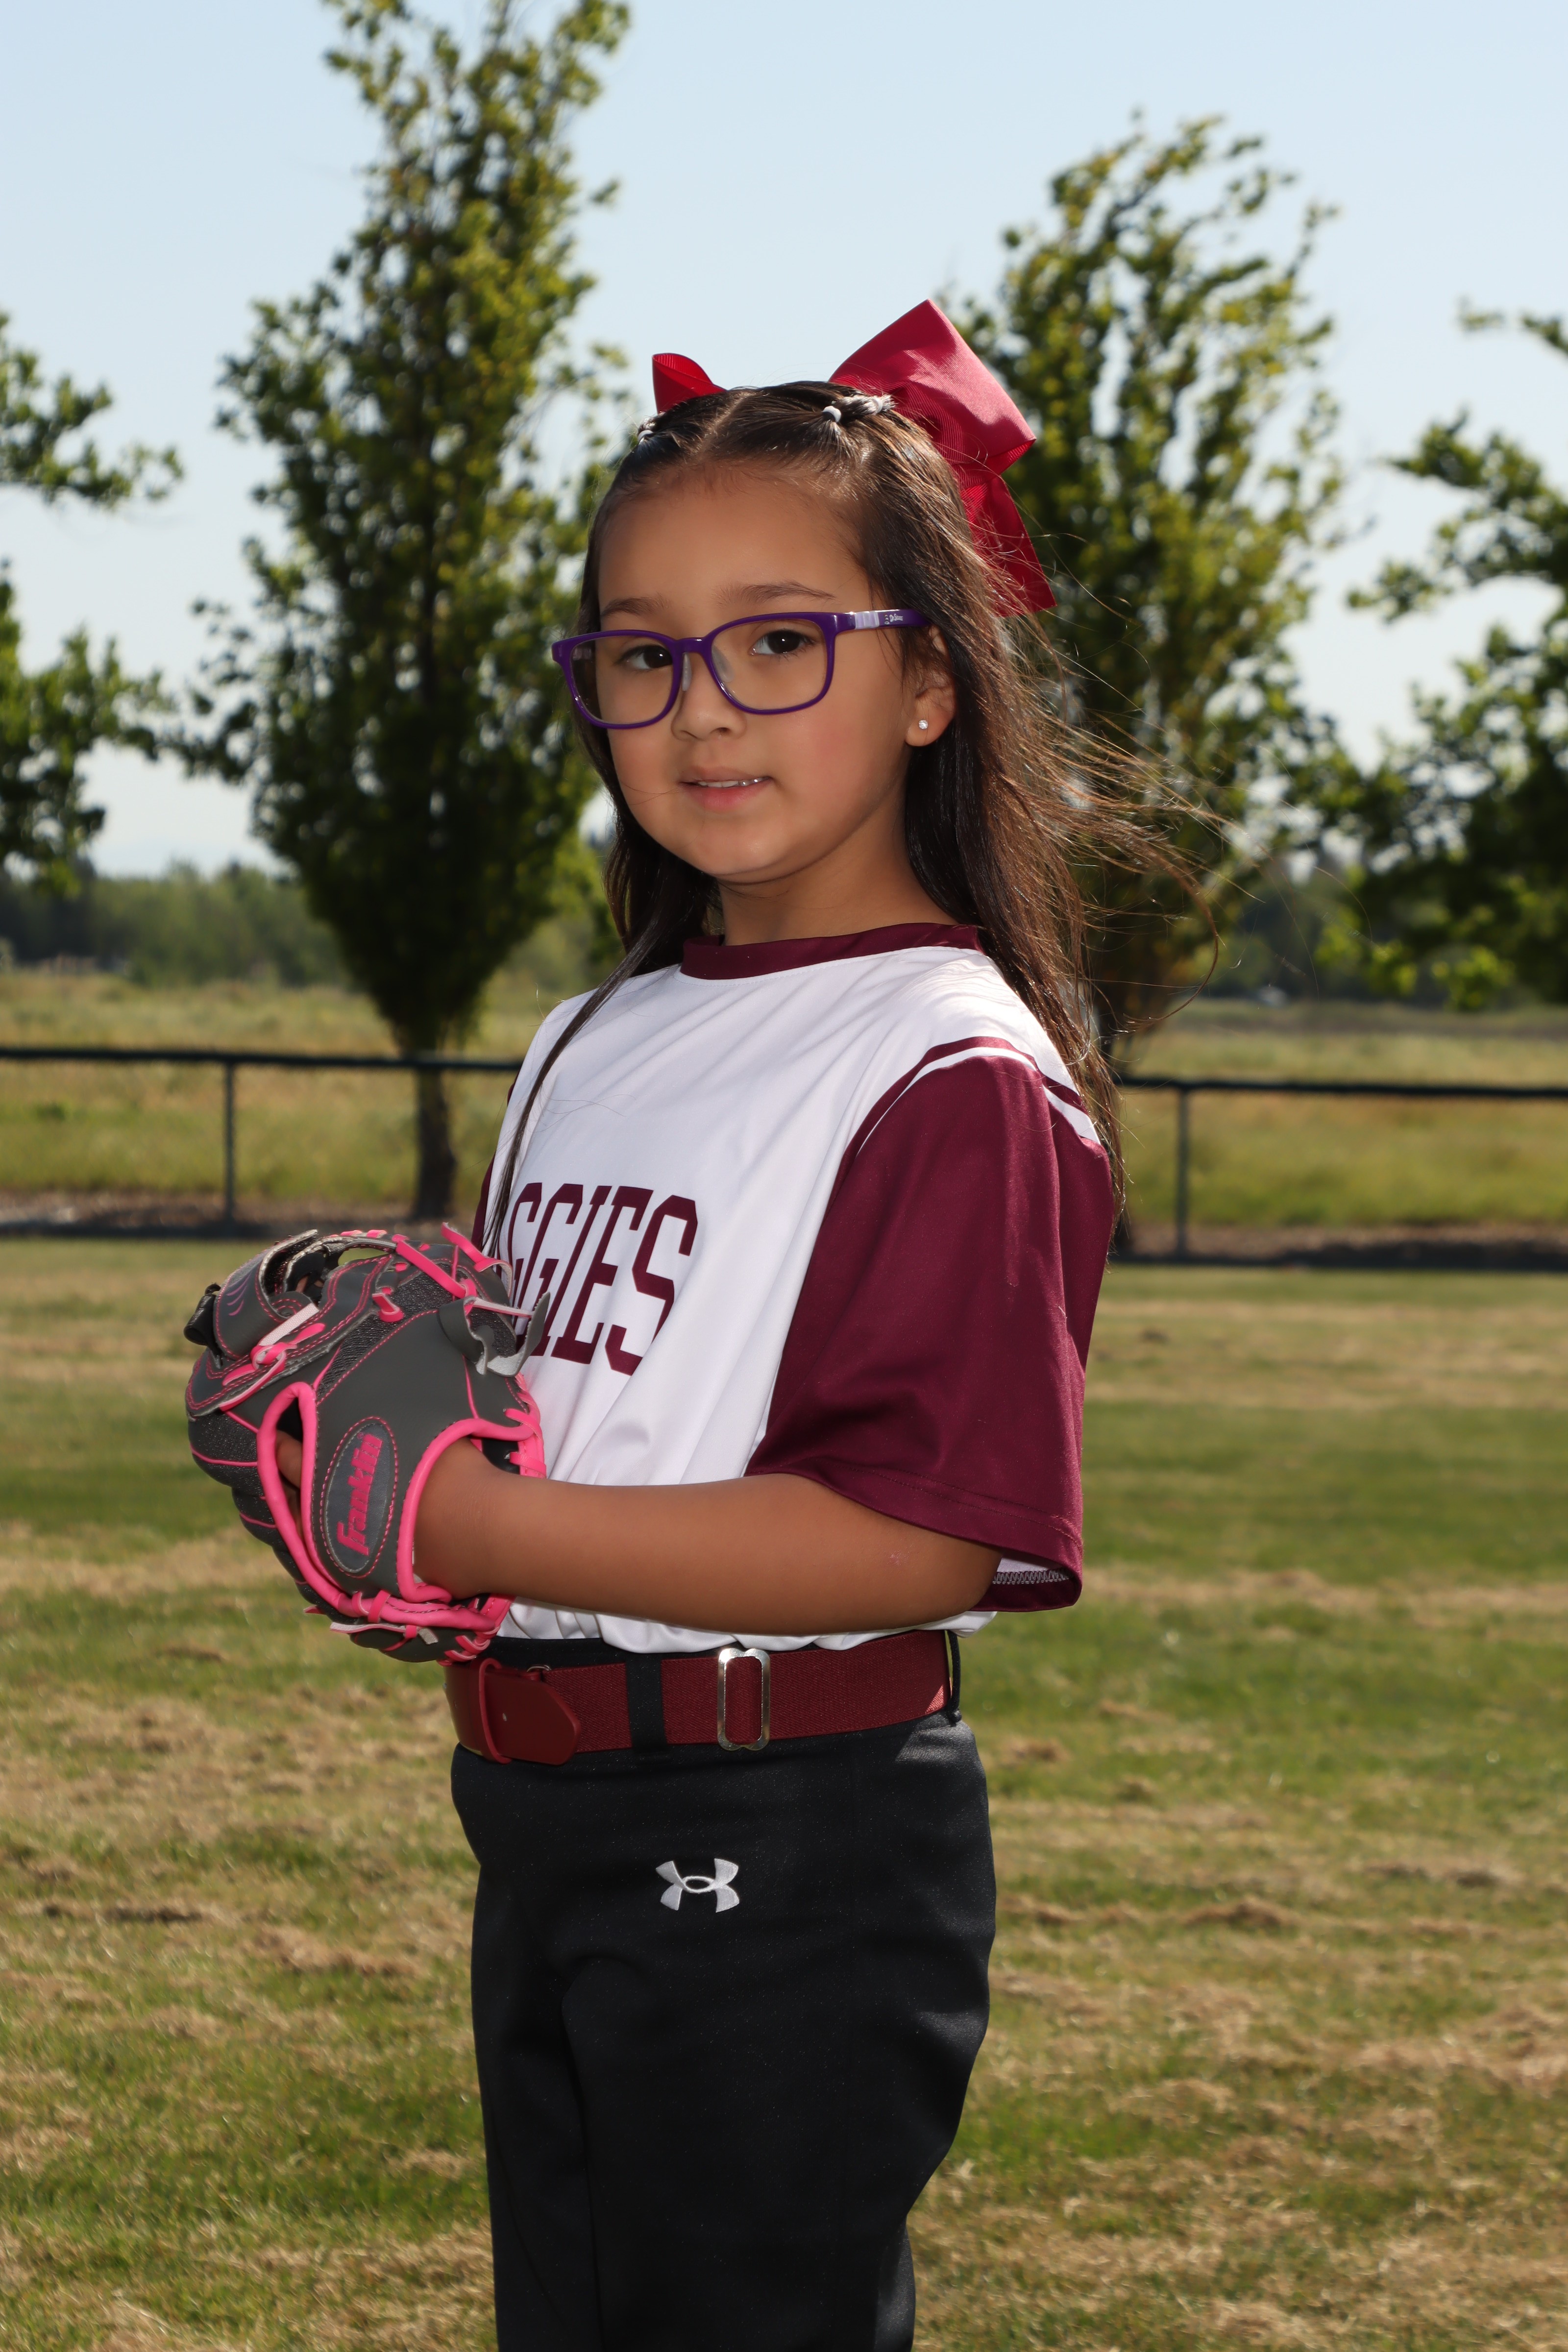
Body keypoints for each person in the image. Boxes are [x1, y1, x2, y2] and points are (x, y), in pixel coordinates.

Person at [282, 300, 1123, 2352]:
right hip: (544, 1809)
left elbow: (918, 1537)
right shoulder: (593, 1035)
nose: (703, 706)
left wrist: (469, 1527)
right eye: (642, 654)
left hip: (787, 1834)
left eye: (780, 641)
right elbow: (572, 1415)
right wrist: (391, 1447)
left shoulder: (945, 1065)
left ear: (928, 680)